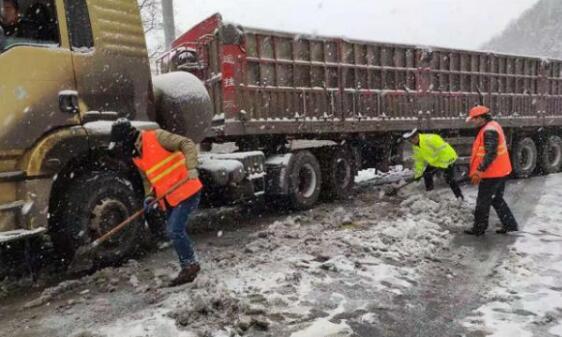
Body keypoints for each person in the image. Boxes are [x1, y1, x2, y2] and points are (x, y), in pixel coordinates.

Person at [110, 119, 203, 286]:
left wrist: (191, 167)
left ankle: (190, 265)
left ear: (128, 139)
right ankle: (188, 264)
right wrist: (149, 197)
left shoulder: (157, 137)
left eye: (120, 144)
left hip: (187, 190)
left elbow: (186, 143)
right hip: (170, 198)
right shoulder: (137, 155)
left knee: (174, 230)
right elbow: (148, 180)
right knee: (173, 231)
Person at [464, 105, 518, 236]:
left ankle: (479, 228)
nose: (473, 122)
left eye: (474, 119)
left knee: (483, 200)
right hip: (500, 171)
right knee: (496, 199)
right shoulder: (492, 125)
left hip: (492, 173)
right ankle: (510, 224)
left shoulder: (489, 131)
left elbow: (490, 154)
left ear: (482, 118)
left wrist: (479, 170)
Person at [403, 128, 464, 200]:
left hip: (448, 158)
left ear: (416, 136)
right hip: (436, 161)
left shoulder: (431, 139)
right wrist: (418, 174)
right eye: (409, 141)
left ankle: (459, 197)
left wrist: (443, 165)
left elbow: (444, 150)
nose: (411, 142)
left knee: (449, 179)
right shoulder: (416, 147)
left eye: (411, 139)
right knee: (427, 174)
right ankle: (430, 194)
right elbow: (419, 161)